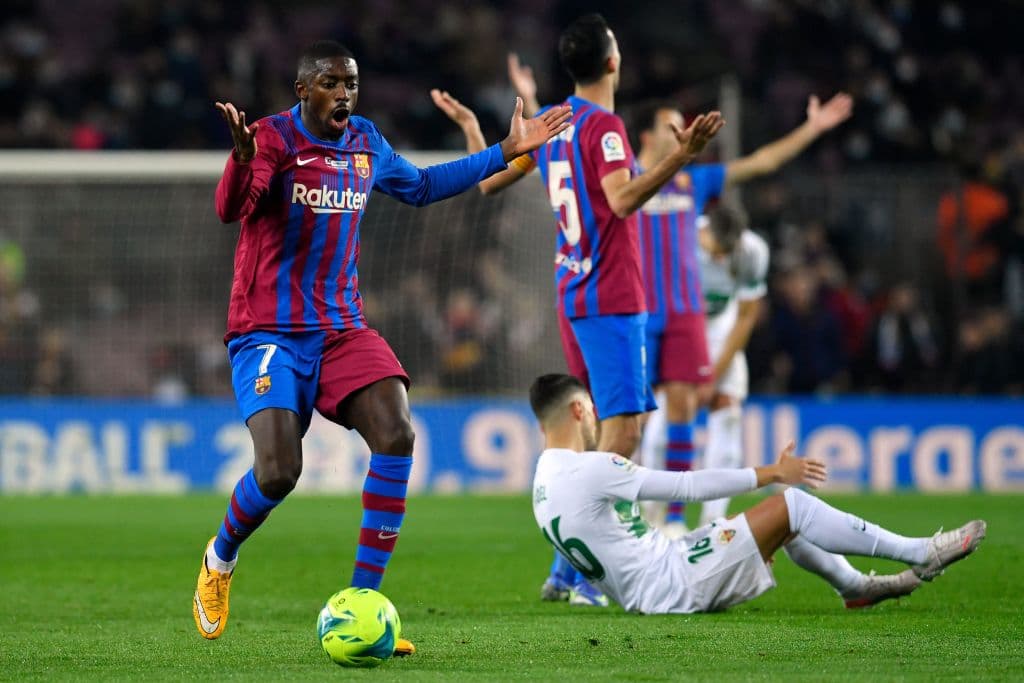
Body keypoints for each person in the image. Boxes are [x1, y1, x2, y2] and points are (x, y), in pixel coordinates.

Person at [193, 39, 572, 646]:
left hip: (341, 329)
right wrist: (240, 158)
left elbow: (421, 186)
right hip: (269, 332)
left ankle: (364, 603)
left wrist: (506, 151)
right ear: (302, 90)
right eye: (331, 83)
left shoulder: (366, 141)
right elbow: (229, 209)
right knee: (278, 473)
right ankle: (220, 556)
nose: (343, 94)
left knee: (397, 433)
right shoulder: (269, 139)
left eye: (351, 84)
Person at [432, 13, 724, 606]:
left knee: (595, 433)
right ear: (613, 61)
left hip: (573, 293)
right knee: (624, 434)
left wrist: (472, 131)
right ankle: (588, 571)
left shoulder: (555, 122)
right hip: (611, 296)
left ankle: (568, 570)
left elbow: (489, 182)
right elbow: (620, 199)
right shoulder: (606, 128)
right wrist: (681, 158)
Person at [505, 48, 852, 534]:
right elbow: (566, 141)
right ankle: (629, 511)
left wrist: (811, 130)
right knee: (628, 424)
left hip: (683, 310)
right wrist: (533, 101)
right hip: (632, 308)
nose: (681, 133)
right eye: (671, 125)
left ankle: (672, 519)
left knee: (683, 407)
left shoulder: (691, 179)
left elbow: (759, 163)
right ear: (647, 134)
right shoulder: (618, 173)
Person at [529, 373, 986, 614]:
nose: (595, 421)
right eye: (591, 411)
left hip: (657, 579)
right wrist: (771, 472)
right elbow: (687, 486)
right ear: (578, 409)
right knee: (792, 504)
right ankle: (920, 552)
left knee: (782, 524)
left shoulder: (541, 488)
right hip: (673, 582)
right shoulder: (590, 469)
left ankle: (855, 588)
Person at [644, 204, 770, 527]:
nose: (720, 259)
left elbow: (745, 316)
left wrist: (711, 376)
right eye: (716, 250)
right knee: (671, 409)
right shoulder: (677, 239)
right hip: (678, 321)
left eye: (728, 251)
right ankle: (654, 514)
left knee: (728, 411)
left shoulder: (753, 252)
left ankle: (713, 521)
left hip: (720, 327)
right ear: (705, 232)